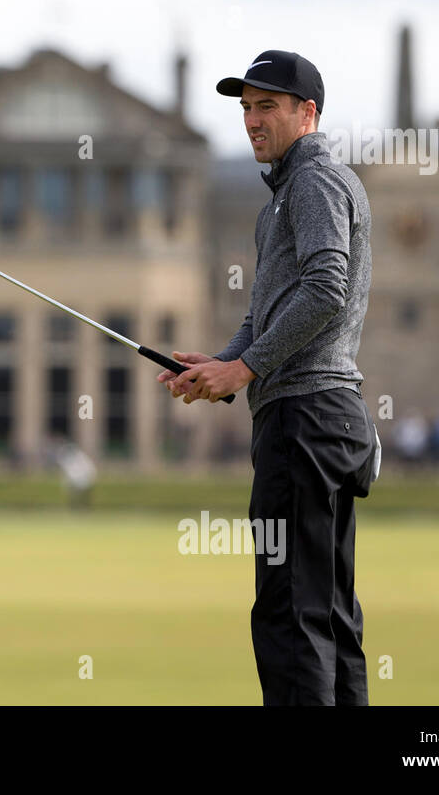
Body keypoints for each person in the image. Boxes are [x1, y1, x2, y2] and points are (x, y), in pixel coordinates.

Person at [159, 50, 379, 706]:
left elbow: (326, 290)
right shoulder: (281, 199)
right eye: (246, 108)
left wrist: (245, 367)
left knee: (290, 618)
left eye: (268, 107)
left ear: (307, 113)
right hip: (324, 421)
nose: (253, 121)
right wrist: (220, 367)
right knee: (330, 617)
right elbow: (264, 313)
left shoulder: (314, 184)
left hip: (303, 423)